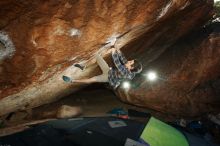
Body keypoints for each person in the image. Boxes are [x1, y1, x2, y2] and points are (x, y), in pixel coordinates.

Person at [64, 47, 142, 90]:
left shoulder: (126, 74)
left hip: (108, 78)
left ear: (131, 68)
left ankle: (72, 81)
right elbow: (122, 58)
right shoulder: (128, 66)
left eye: (130, 62)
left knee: (92, 79)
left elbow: (117, 63)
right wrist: (116, 47)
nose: (129, 61)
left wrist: (113, 52)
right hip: (109, 70)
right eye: (131, 61)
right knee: (97, 55)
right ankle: (83, 67)